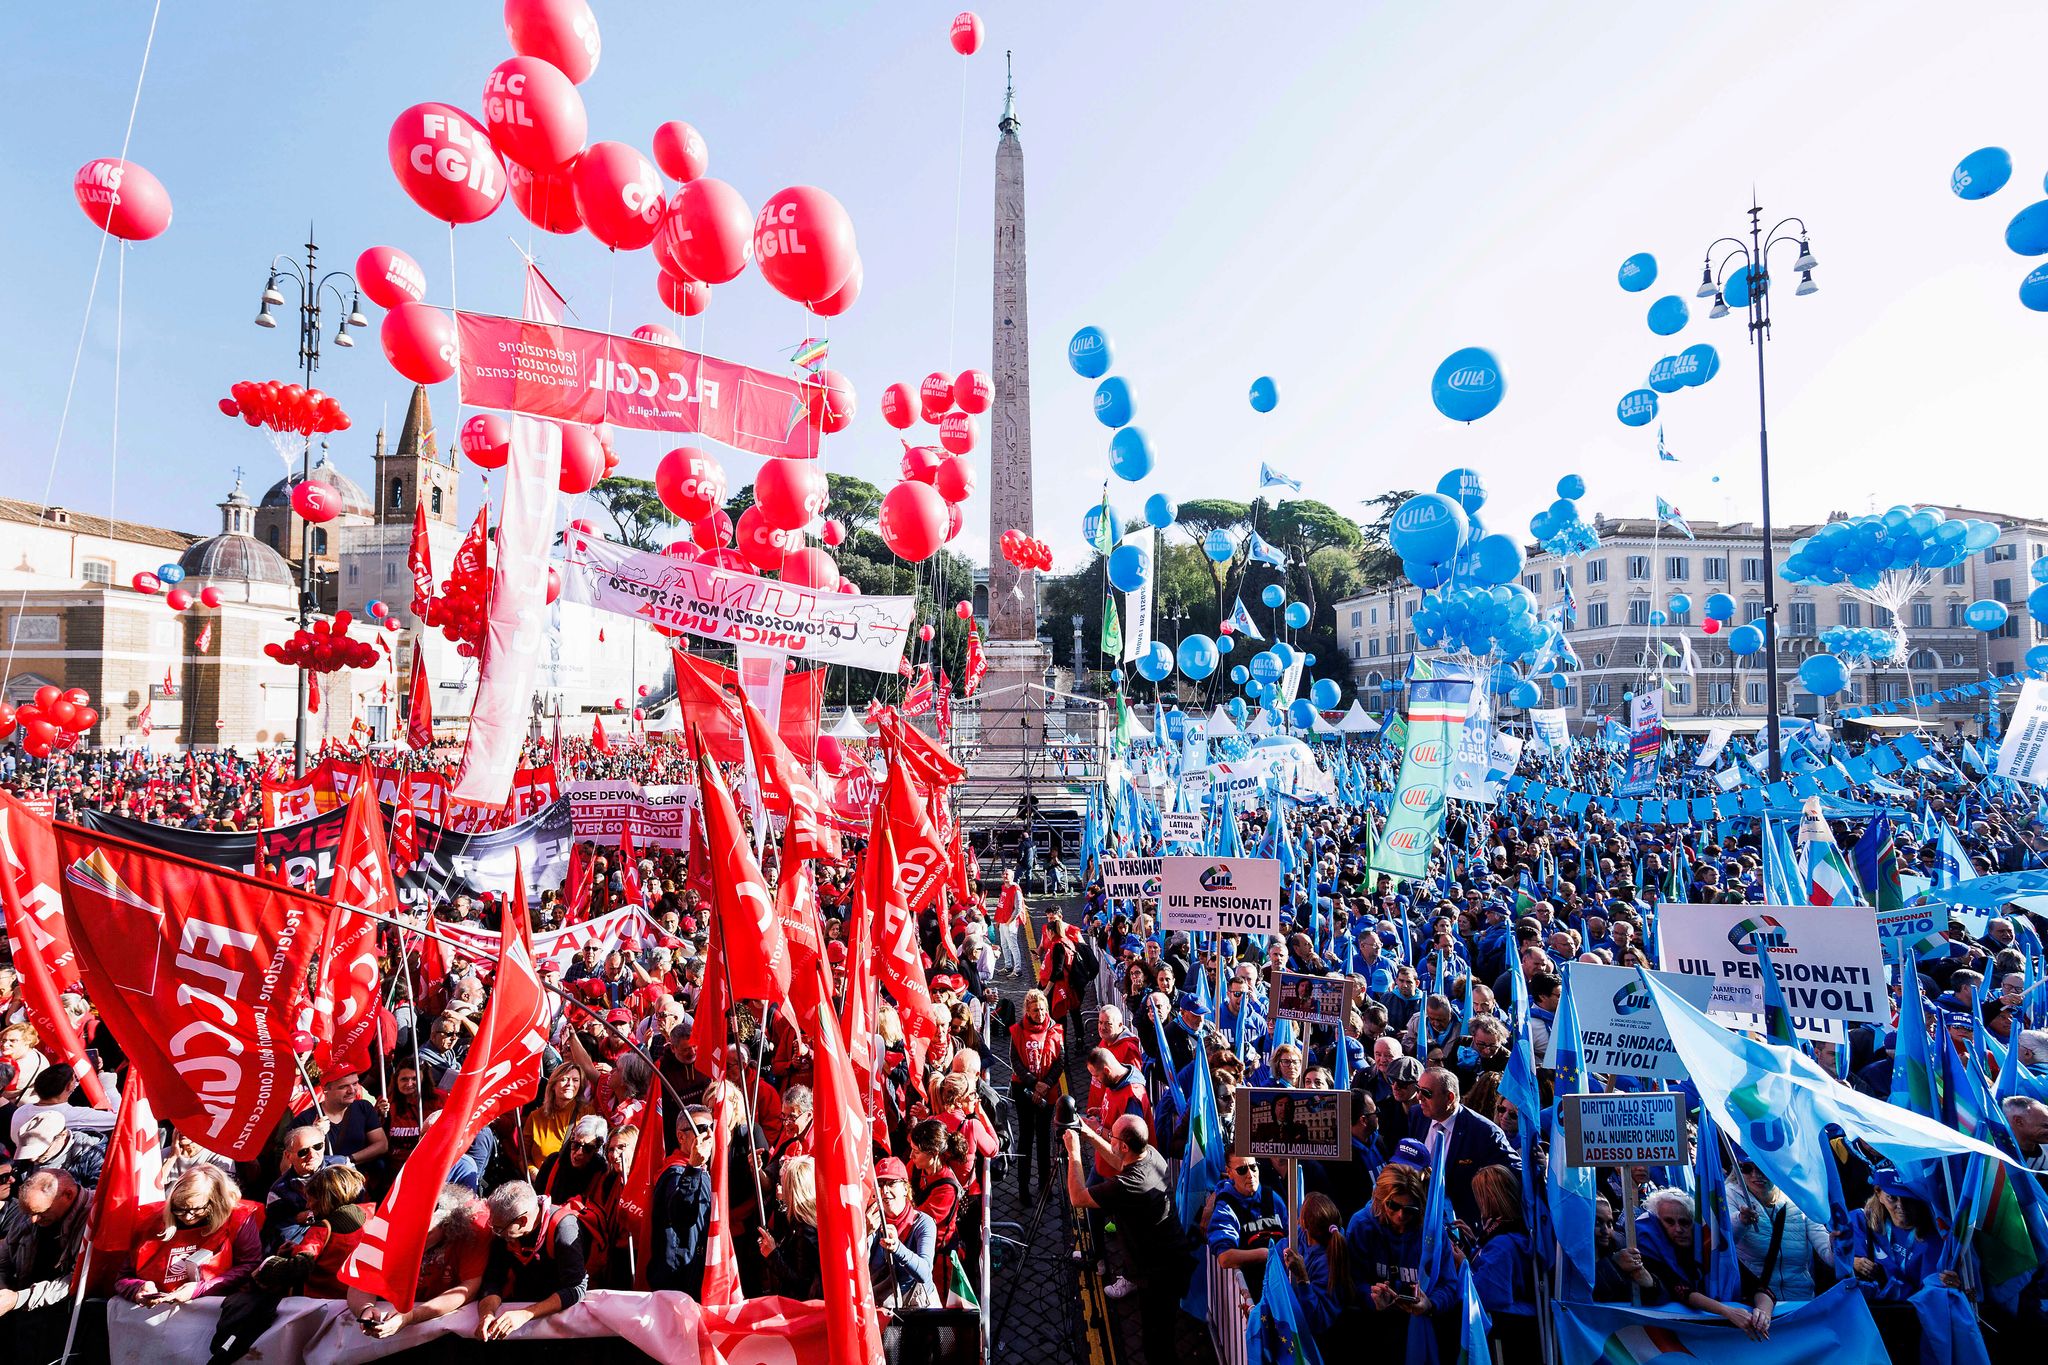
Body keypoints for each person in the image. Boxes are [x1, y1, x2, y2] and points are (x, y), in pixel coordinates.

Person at [1063, 1115, 1184, 1365]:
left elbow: (1078, 1198)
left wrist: (1073, 1151)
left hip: (1158, 1273)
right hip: (1165, 1263)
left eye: (1113, 1136)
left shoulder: (1130, 1184)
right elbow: (1119, 1160)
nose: (1110, 1138)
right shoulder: (1149, 1154)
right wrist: (1091, 1136)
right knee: (1159, 1336)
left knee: (1157, 1343)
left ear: (1125, 1145)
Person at [348, 1185, 490, 1339]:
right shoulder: (390, 1225)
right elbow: (361, 1277)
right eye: (410, 1233)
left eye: (424, 1235)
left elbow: (468, 1288)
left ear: (447, 1225)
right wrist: (365, 1309)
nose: (415, 1242)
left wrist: (411, 1316)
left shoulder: (474, 1228)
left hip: (449, 1326)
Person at [1635, 1187, 1774, 1340]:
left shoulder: (1710, 1248)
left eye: (1684, 1222)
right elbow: (1682, 1291)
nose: (1678, 1229)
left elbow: (1760, 1288)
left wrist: (1763, 1314)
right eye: (1669, 1222)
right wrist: (1726, 1311)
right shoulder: (1653, 1254)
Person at [117, 1166, 263, 1305]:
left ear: (215, 1203)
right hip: (157, 1310)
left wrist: (200, 1289)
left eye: (197, 1210)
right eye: (180, 1209)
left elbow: (250, 1265)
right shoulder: (151, 1221)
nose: (187, 1217)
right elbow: (123, 1277)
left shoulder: (238, 1219)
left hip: (213, 1308)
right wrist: (138, 1288)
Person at [476, 1181, 588, 1342]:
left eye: (499, 1229)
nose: (496, 1233)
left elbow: (576, 1288)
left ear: (522, 1221)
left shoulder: (564, 1228)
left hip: (561, 1326)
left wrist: (526, 1314)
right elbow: (494, 1278)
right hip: (522, 1310)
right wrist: (486, 1314)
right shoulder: (504, 1228)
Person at [1411, 1067, 1518, 1226]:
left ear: (1449, 1098)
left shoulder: (1484, 1132)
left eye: (1426, 1093)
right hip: (1419, 1217)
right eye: (1418, 1089)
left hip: (1460, 1226)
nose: (1419, 1097)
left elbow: (1515, 1172)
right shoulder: (1417, 1115)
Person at [0, 1170, 89, 1360]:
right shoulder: (32, 1210)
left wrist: (17, 1299)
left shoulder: (93, 1218)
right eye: (28, 1213)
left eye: (40, 1213)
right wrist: (3, 1289)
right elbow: (4, 1257)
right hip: (24, 1311)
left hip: (66, 1317)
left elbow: (76, 1279)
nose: (33, 1220)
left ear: (67, 1195)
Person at [1725, 1158, 1829, 1304]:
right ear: (1737, 1169)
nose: (1756, 1175)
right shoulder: (1728, 1195)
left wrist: (1839, 1244)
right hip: (1756, 1304)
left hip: (1799, 1301)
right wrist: (1741, 1221)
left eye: (1762, 1167)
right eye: (1747, 1168)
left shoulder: (1797, 1196)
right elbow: (1724, 1242)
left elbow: (1826, 1249)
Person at [1465, 1164, 1538, 1360]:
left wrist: (1460, 1265)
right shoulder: (1514, 1231)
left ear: (1489, 1198)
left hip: (1509, 1333)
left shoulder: (1502, 1244)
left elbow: (1485, 1295)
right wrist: (1473, 1246)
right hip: (1522, 1326)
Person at [649, 1104, 713, 1295]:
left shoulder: (702, 1170)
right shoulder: (676, 1173)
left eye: (713, 1127)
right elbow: (682, 1217)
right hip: (679, 1279)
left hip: (694, 1271)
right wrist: (692, 1168)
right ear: (681, 1137)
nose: (709, 1134)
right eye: (701, 1129)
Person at [1284, 1191, 1355, 1359]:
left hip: (1319, 1345)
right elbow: (1283, 1246)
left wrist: (1303, 1279)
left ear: (1305, 1224)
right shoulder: (1302, 1235)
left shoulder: (1329, 1261)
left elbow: (1318, 1320)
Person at [1008, 989, 1064, 1202]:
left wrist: (1046, 1084)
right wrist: (1033, 1083)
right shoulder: (1017, 1031)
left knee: (1043, 1139)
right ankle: (1023, 1187)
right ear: (1028, 1012)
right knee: (1026, 1138)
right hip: (1024, 1090)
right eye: (1035, 1010)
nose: (1039, 1014)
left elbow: (1060, 1061)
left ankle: (1044, 1185)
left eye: (1042, 1009)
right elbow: (1015, 1060)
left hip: (1047, 1092)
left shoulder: (1056, 1030)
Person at [1208, 1152, 1287, 1298]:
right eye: (1242, 1170)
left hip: (1282, 1286)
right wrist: (1268, 1254)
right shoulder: (1226, 1207)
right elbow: (1225, 1258)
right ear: (1230, 1172)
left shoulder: (1272, 1197)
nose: (1250, 1175)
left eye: (1253, 1167)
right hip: (1254, 1293)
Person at [869, 1157, 939, 1310]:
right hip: (885, 1310)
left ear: (905, 1188)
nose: (885, 1190)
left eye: (891, 1183)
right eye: (880, 1185)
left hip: (920, 1307)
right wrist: (865, 1233)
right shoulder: (871, 1221)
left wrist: (897, 1248)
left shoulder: (923, 1223)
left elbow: (924, 1273)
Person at [291, 1071, 389, 1180]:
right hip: (322, 1185)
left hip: (358, 1182)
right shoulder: (305, 1119)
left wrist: (346, 1160)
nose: (352, 1090)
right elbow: (287, 1166)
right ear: (325, 1089)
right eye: (343, 1087)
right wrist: (314, 1135)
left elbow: (381, 1144)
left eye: (355, 1083)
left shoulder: (364, 1107)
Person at [758, 1155, 822, 1299]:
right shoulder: (806, 1220)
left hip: (804, 1310)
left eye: (784, 1183)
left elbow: (801, 1284)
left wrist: (773, 1254)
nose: (780, 1186)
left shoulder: (806, 1230)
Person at [995, 870, 1026, 977]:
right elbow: (1001, 904)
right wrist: (999, 920)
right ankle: (1008, 966)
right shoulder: (1004, 887)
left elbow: (1018, 909)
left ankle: (1017, 969)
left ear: (1012, 876)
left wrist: (1009, 921)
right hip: (1003, 920)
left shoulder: (1015, 889)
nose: (1004, 876)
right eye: (1003, 874)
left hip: (1010, 922)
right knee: (1004, 944)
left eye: (1007, 874)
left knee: (1013, 945)